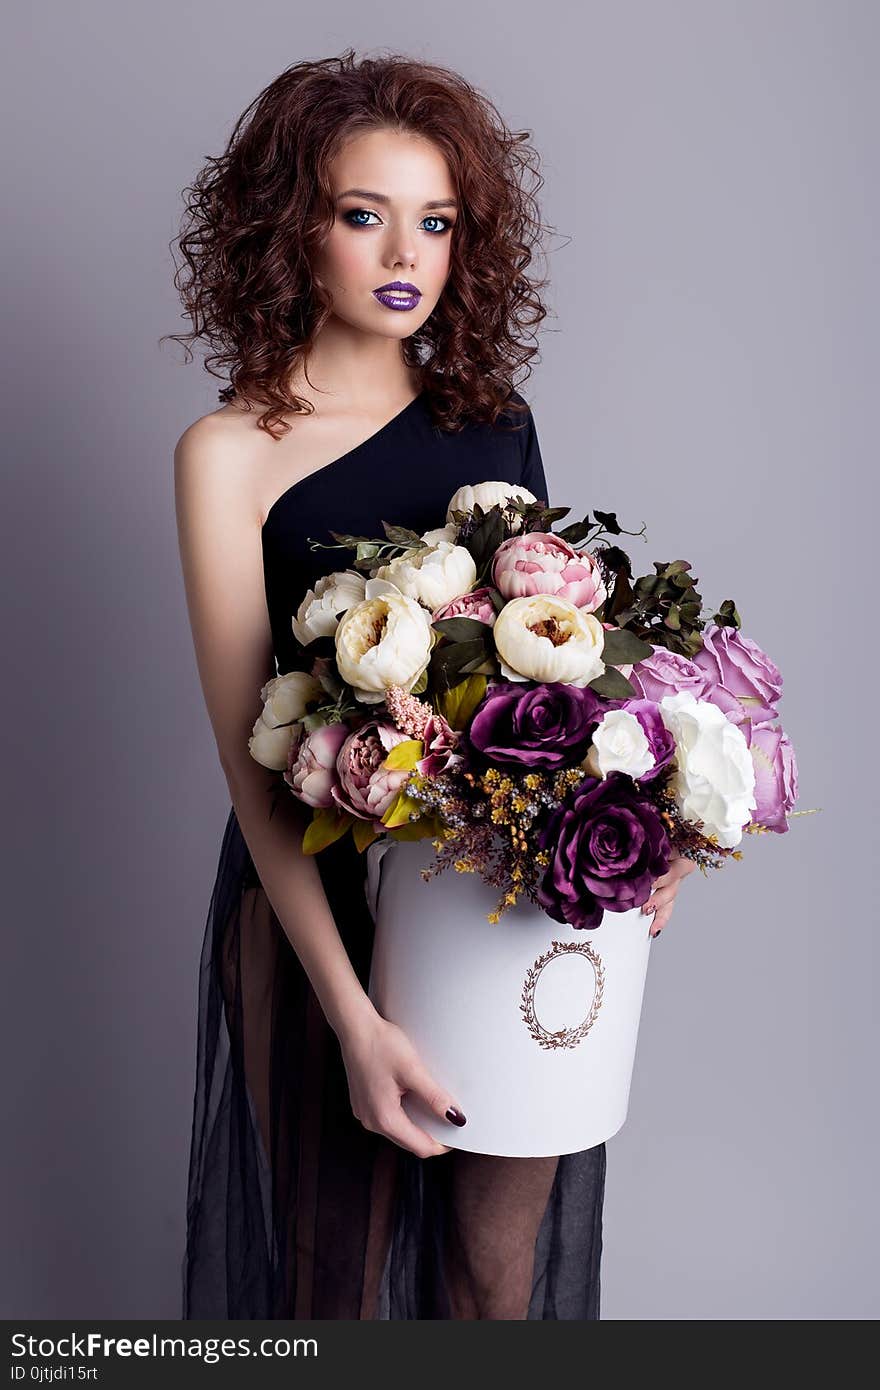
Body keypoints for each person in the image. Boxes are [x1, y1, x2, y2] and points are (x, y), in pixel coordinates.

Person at [170, 50, 694, 1321]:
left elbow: (557, 671)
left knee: (490, 1285)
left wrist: (649, 835)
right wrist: (352, 1017)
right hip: (317, 917)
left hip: (495, 892)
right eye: (365, 215)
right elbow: (254, 775)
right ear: (292, 230)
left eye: (437, 220)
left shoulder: (490, 417)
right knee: (329, 1299)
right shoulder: (228, 454)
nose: (405, 251)